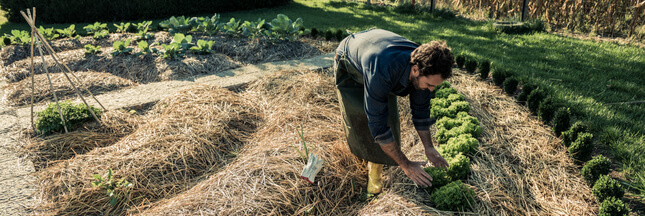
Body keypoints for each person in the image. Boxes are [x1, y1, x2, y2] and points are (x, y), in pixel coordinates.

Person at [334, 28, 454, 193]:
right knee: (361, 117)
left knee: (389, 116)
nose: (432, 89)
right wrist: (407, 165)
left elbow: (421, 111)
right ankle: (369, 164)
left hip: (378, 53)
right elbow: (378, 126)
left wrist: (429, 147)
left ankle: (376, 161)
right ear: (415, 70)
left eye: (434, 85)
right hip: (349, 60)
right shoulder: (382, 71)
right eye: (430, 84)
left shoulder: (424, 65)